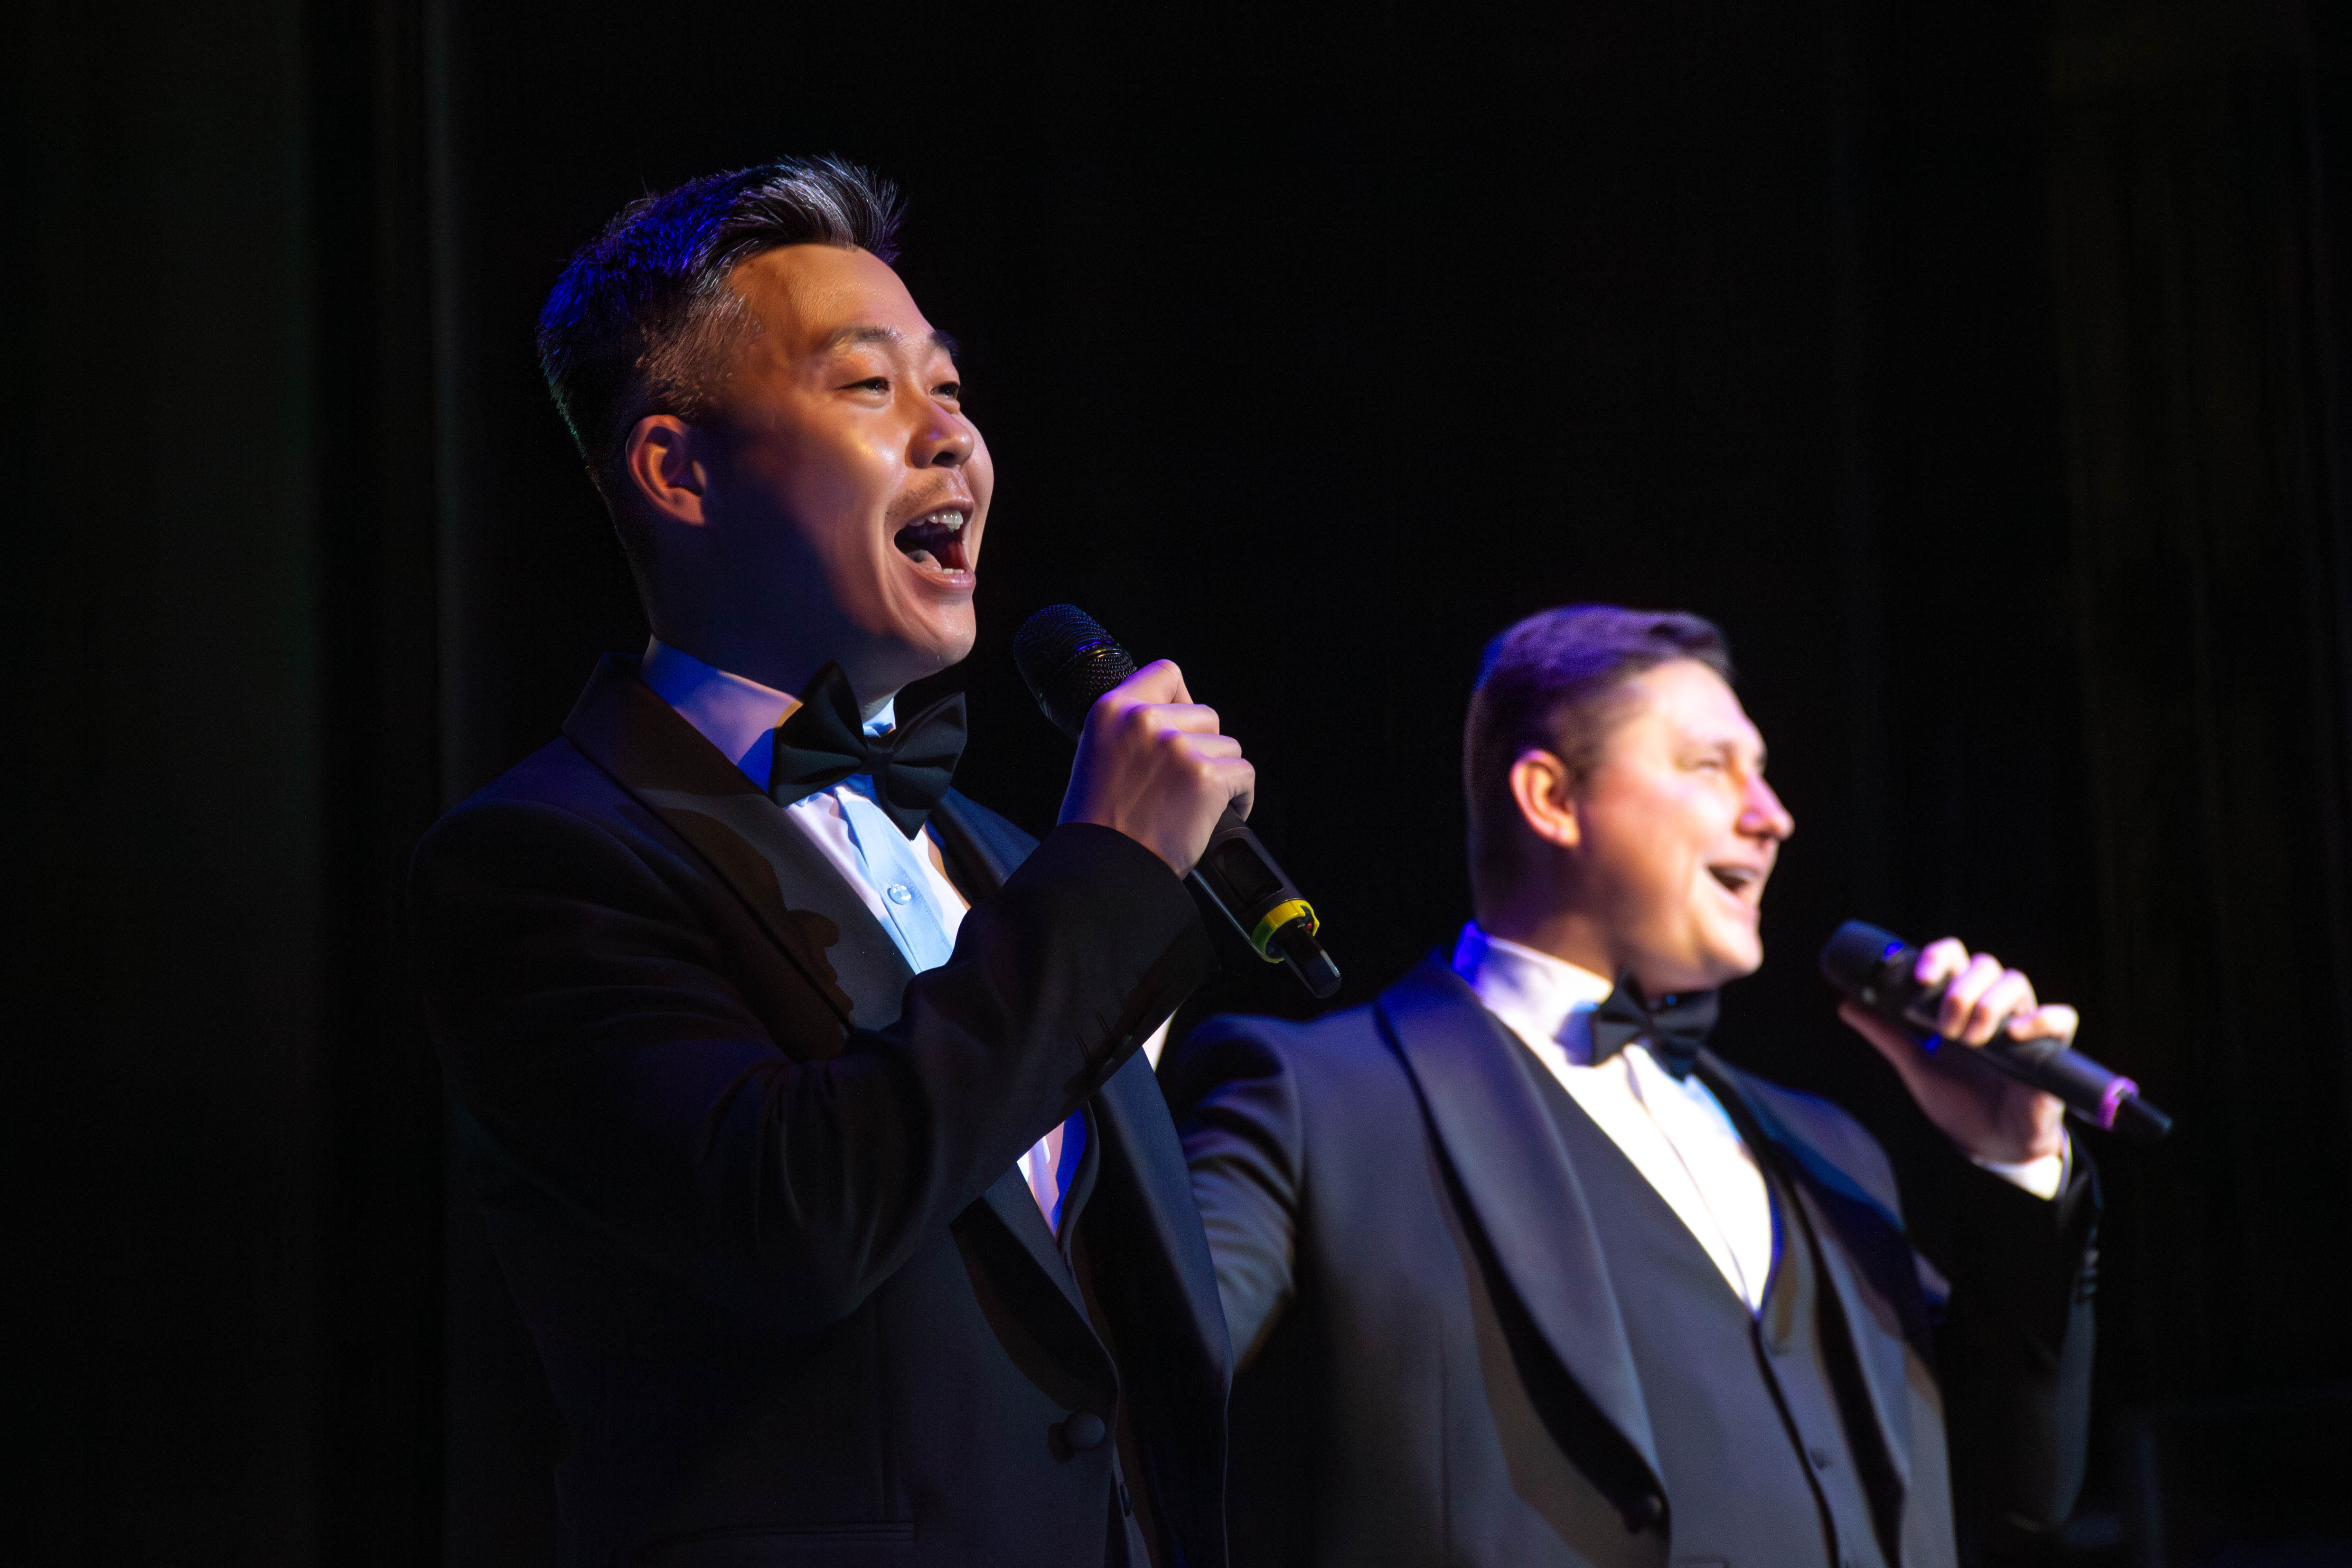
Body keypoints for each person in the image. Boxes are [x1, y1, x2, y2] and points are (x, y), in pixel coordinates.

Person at [410, 157, 1245, 1568]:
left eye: (952, 388)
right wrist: (1106, 875)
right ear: (678, 471)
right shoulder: (542, 858)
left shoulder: (1001, 859)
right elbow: (794, 1217)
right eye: (869, 386)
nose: (951, 436)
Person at [1170, 605, 2099, 1568]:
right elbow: (1142, 1380)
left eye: (1763, 771)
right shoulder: (1319, 1103)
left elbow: (2021, 1491)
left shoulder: (1830, 1154)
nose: (1772, 815)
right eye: (1710, 766)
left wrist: (2016, 1160)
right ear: (1551, 798)